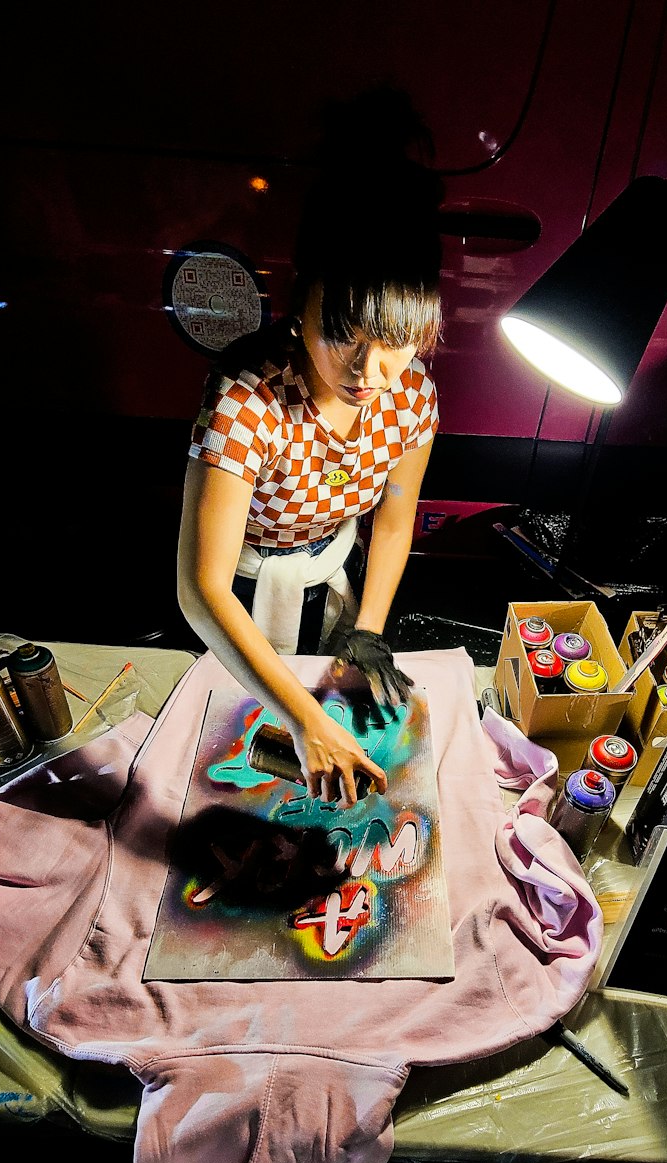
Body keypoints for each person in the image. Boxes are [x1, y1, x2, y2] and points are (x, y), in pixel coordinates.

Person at [177, 87, 444, 809]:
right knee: (230, 768)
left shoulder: (412, 396)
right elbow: (198, 589)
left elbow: (393, 518)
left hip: (329, 580)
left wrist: (367, 631)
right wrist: (302, 718)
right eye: (342, 335)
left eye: (392, 344)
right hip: (239, 594)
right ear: (301, 304)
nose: (368, 373)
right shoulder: (245, 396)